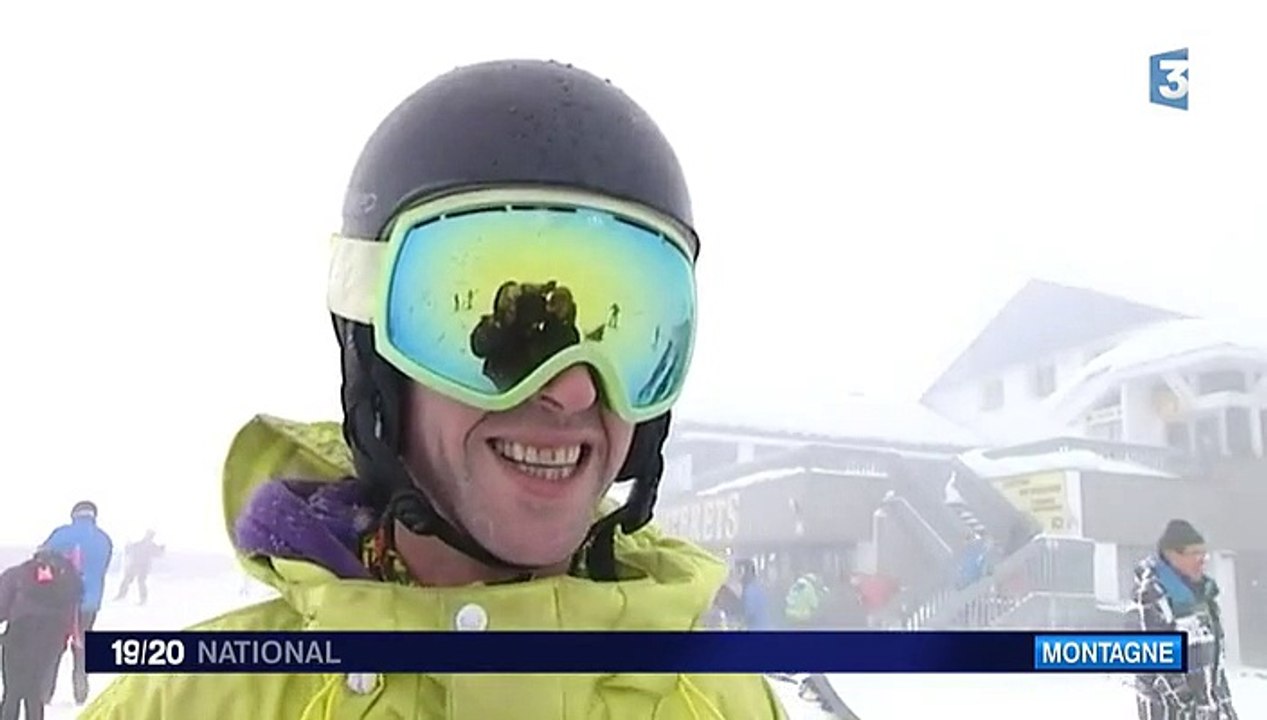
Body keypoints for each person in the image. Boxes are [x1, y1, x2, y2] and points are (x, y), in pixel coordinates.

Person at [82, 59, 788, 719]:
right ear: (378, 372)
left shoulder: (723, 700)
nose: (573, 391)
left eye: (628, 339)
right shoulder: (192, 703)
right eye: (491, 348)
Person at [1132, 519, 1238, 720]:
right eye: (1195, 553)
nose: (1203, 559)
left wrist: (1226, 709)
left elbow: (1215, 664)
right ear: (1172, 555)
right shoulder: (1149, 596)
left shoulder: (1204, 596)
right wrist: (1192, 707)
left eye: (1203, 553)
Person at [40, 500, 112, 706]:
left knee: (54, 646)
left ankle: (45, 693)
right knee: (82, 646)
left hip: (60, 602)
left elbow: (41, 558)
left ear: (74, 515)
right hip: (89, 603)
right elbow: (102, 568)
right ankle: (81, 690)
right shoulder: (103, 539)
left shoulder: (62, 534)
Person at [0, 548, 84, 720]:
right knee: (35, 690)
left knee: (12, 691)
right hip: (51, 639)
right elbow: (73, 608)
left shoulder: (17, 574)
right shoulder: (67, 579)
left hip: (19, 635)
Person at [114, 529, 164, 605]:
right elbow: (130, 549)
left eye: (150, 535)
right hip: (135, 565)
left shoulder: (151, 546)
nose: (149, 537)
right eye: (149, 535)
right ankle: (121, 595)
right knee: (127, 580)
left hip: (143, 567)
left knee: (140, 582)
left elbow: (158, 554)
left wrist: (161, 549)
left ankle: (142, 599)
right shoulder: (140, 544)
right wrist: (127, 547)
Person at [737, 559, 774, 630]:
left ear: (745, 572)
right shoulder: (757, 585)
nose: (737, 575)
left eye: (739, 571)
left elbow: (749, 612)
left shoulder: (750, 590)